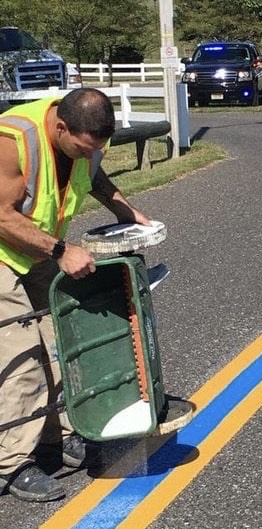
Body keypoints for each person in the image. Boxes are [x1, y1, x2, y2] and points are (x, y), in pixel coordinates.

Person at [0, 88, 151, 502]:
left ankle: (57, 434)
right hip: (3, 248)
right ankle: (10, 464)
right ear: (61, 126)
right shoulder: (14, 140)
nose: (90, 155)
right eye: (83, 148)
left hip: (34, 247)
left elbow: (93, 173)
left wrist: (123, 208)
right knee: (23, 355)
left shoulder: (86, 143)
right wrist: (62, 251)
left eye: (96, 149)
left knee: (62, 341)